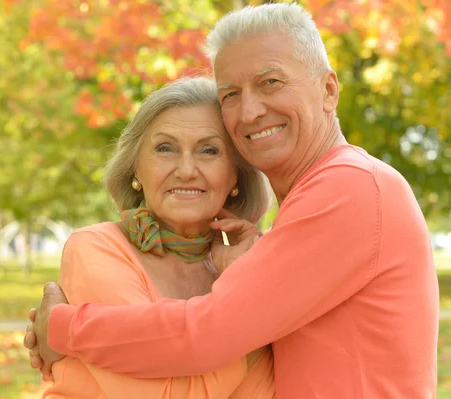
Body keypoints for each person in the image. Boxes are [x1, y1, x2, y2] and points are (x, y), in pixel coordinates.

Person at [25, 3, 439, 398]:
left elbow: (208, 334)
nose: (251, 110)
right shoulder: (309, 202)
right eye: (230, 95)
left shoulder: (349, 189)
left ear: (328, 90)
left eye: (270, 82)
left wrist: (62, 327)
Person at [35, 76, 275, 398]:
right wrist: (260, 331)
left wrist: (246, 284)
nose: (186, 169)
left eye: (209, 150)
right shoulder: (96, 249)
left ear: (236, 174)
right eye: (165, 148)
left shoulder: (254, 265)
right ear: (136, 167)